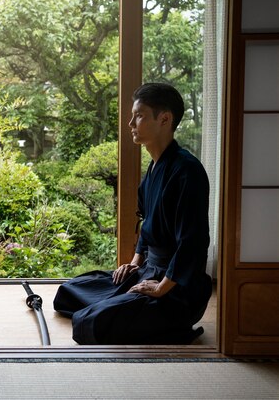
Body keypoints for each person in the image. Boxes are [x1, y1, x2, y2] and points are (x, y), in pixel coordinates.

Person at [53, 83, 212, 344]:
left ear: (164, 119)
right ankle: (128, 304)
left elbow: (192, 243)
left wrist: (161, 287)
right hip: (148, 270)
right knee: (69, 292)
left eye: (138, 116)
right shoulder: (152, 169)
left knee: (88, 323)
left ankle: (166, 318)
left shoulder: (187, 171)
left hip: (177, 288)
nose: (130, 123)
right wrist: (135, 263)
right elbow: (147, 225)